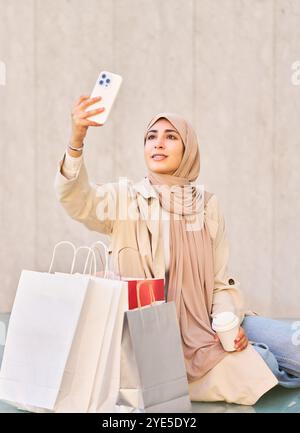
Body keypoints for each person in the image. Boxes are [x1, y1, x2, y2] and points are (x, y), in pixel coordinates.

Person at [54, 95, 300, 405]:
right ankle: (215, 368)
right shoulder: (123, 198)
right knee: (263, 365)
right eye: (151, 137)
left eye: (171, 137)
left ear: (188, 149)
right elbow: (77, 199)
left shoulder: (208, 204)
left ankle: (241, 349)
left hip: (211, 320)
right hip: (158, 342)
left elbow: (219, 282)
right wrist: (77, 139)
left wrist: (226, 320)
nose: (158, 144)